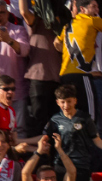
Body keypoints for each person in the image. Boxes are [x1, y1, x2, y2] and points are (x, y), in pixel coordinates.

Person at [18, 0, 61, 138]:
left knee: (57, 124)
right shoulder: (36, 21)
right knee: (38, 122)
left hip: (59, 79)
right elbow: (24, 11)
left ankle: (55, 156)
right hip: (38, 79)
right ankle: (38, 157)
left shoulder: (63, 23)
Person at [0, 1, 29, 138]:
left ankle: (19, 160)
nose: (0, 16)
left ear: (8, 13)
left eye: (2, 12)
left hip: (16, 92)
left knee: (19, 131)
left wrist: (8, 40)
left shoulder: (18, 30)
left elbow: (25, 51)